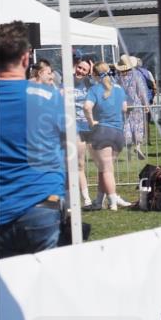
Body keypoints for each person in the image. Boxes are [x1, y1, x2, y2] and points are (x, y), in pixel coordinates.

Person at [0, 22, 66, 257]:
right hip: (41, 204)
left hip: (6, 206)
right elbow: (69, 142)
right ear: (26, 59)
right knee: (43, 288)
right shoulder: (48, 97)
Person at [83, 63, 130, 210]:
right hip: (118, 133)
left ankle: (113, 202)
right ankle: (98, 201)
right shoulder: (119, 89)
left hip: (102, 131)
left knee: (106, 170)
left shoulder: (94, 89)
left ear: (95, 75)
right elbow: (124, 108)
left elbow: (86, 107)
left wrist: (91, 122)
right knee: (104, 169)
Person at [71, 58, 96, 208]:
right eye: (79, 67)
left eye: (84, 70)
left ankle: (105, 197)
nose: (80, 71)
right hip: (76, 129)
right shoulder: (65, 82)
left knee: (103, 164)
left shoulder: (90, 84)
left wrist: (92, 74)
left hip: (91, 128)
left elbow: (105, 87)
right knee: (79, 164)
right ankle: (86, 198)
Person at [116, 54, 149, 160]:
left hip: (124, 104)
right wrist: (146, 104)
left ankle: (129, 150)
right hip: (136, 104)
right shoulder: (137, 75)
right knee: (138, 125)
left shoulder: (118, 77)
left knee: (127, 125)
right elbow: (142, 91)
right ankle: (138, 146)